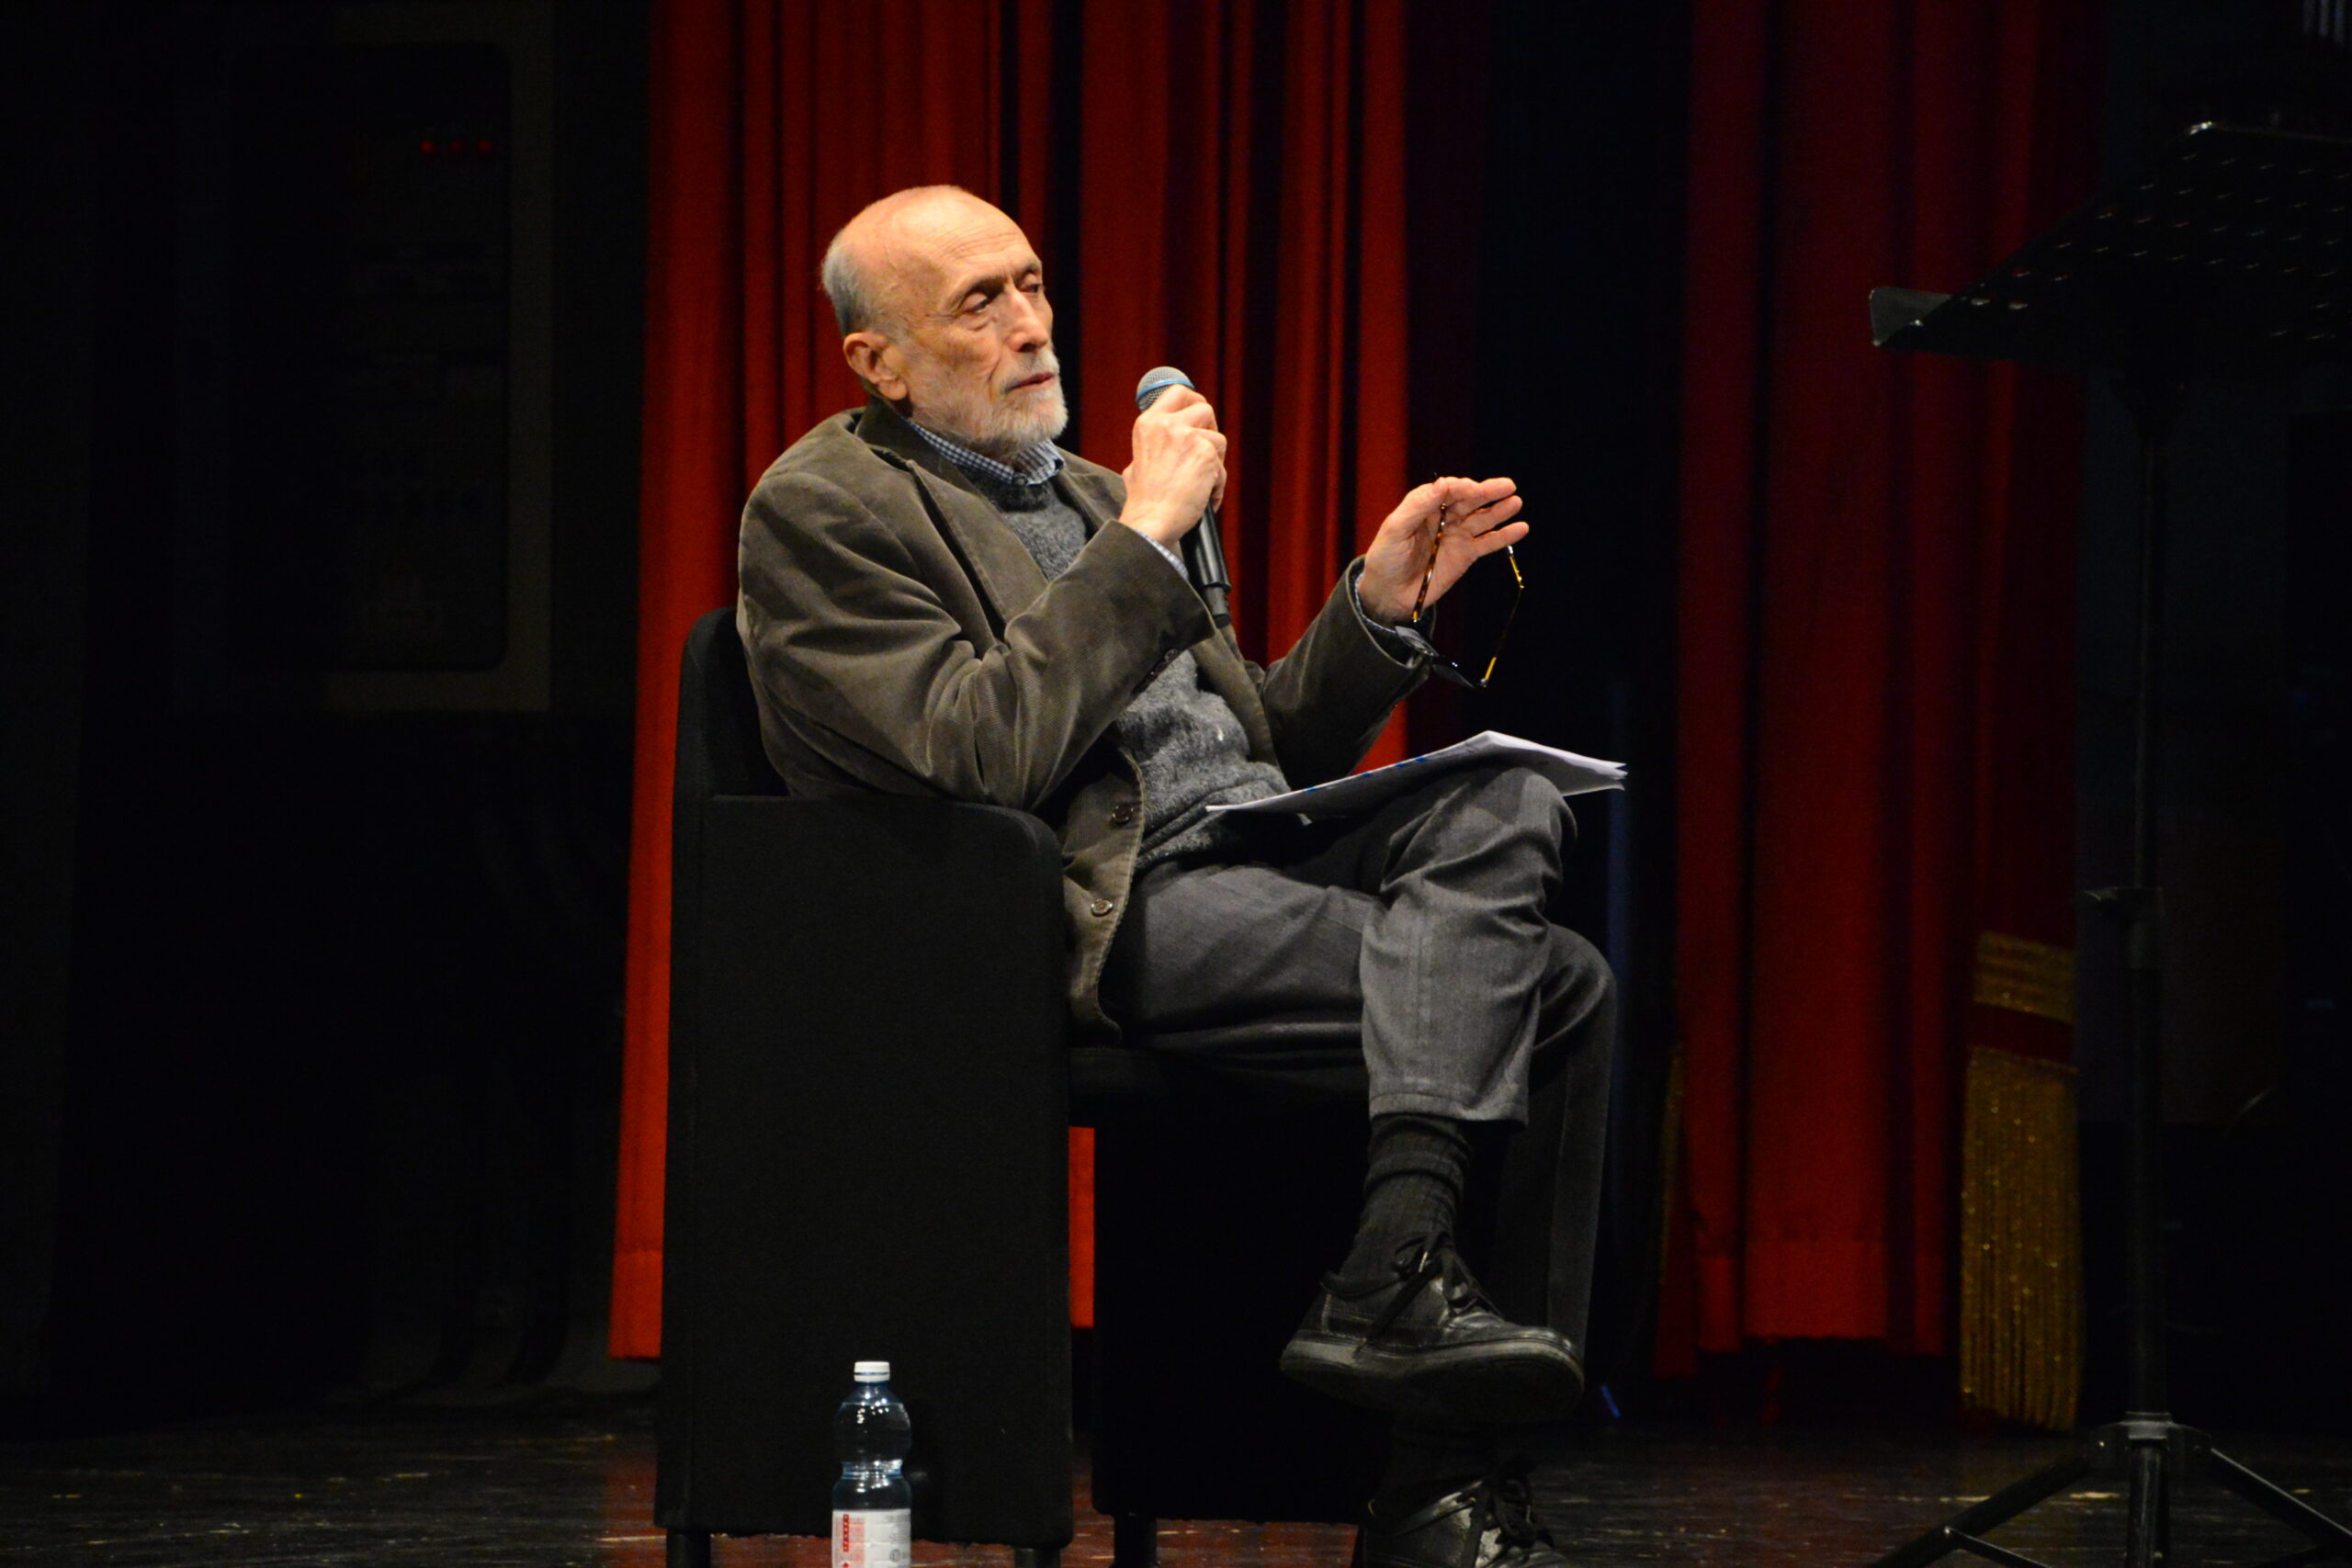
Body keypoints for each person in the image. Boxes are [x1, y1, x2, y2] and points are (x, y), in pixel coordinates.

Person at [736, 186, 1613, 1568]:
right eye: (980, 303)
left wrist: (1375, 614)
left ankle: (1395, 1267)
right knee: (1555, 988)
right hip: (1100, 903)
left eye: (1030, 283)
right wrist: (1144, 540)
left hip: (1250, 849)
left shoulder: (1088, 491)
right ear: (878, 361)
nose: (1032, 325)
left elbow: (1250, 741)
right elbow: (981, 753)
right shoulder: (826, 510)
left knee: (1505, 798)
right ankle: (1436, 1481)